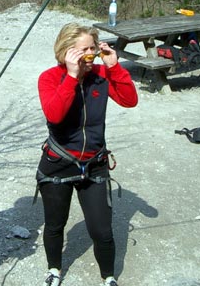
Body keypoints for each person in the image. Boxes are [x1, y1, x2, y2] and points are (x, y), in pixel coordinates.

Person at [35, 22, 139, 286]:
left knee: (102, 231)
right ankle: (54, 269)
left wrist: (115, 67)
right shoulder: (49, 77)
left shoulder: (101, 74)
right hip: (59, 162)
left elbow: (129, 100)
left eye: (94, 48)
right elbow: (55, 115)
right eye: (84, 50)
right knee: (55, 224)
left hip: (94, 163)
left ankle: (109, 277)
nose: (91, 55)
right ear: (67, 51)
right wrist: (72, 76)